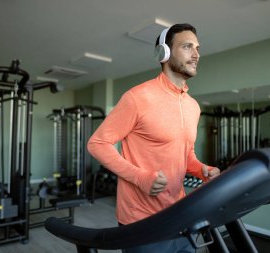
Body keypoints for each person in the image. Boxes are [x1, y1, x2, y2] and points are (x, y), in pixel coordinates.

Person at [87, 23, 220, 253]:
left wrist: (201, 170)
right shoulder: (138, 98)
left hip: (179, 216)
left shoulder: (193, 107)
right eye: (187, 47)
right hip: (141, 221)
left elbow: (185, 153)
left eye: (198, 48)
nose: (197, 54)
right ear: (164, 53)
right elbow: (97, 144)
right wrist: (140, 177)